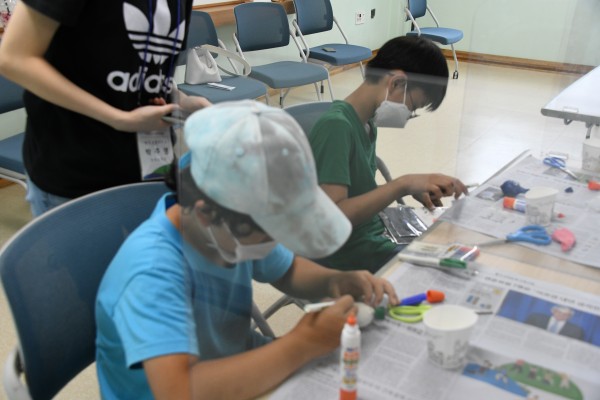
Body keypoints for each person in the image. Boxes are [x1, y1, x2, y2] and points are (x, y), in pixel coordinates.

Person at [95, 100, 399, 400]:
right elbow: (178, 391)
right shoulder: (151, 272)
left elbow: (288, 270)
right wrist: (301, 343)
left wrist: (335, 281)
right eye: (270, 231)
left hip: (237, 367)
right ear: (205, 214)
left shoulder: (229, 225)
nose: (275, 241)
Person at [0, 0, 210, 216]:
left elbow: (143, 67)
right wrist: (118, 119)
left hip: (150, 167)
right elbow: (14, 58)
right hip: (77, 173)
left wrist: (181, 101)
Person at [308, 36, 468, 272]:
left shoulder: (367, 122)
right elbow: (331, 219)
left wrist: (413, 187)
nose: (408, 115)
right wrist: (402, 185)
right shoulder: (337, 127)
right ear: (396, 83)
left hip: (371, 234)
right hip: (347, 254)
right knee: (449, 268)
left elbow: (357, 192)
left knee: (454, 250)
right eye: (413, 107)